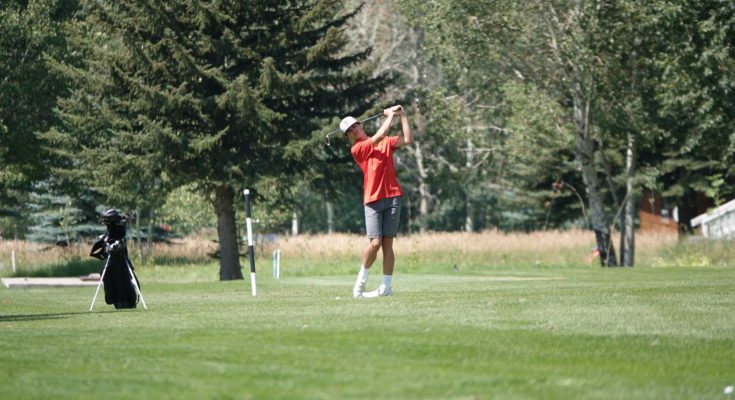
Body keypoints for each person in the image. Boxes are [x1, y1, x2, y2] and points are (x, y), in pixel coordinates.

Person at [341, 105, 413, 298]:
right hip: (372, 199)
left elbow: (408, 140)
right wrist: (389, 116)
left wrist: (402, 115)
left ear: (360, 125)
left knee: (388, 243)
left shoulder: (386, 142)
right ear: (349, 136)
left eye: (354, 126)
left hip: (392, 196)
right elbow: (379, 136)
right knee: (375, 243)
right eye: (349, 131)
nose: (353, 131)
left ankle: (386, 288)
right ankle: (360, 283)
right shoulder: (358, 148)